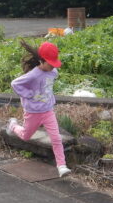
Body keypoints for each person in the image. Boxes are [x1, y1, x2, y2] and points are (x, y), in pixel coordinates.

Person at [6, 40, 71, 177]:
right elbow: (15, 84)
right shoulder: (34, 74)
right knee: (26, 136)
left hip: (48, 111)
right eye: (50, 64)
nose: (53, 67)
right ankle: (13, 126)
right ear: (41, 61)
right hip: (33, 112)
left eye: (54, 64)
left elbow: (48, 83)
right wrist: (29, 94)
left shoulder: (53, 72)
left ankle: (61, 166)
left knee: (56, 138)